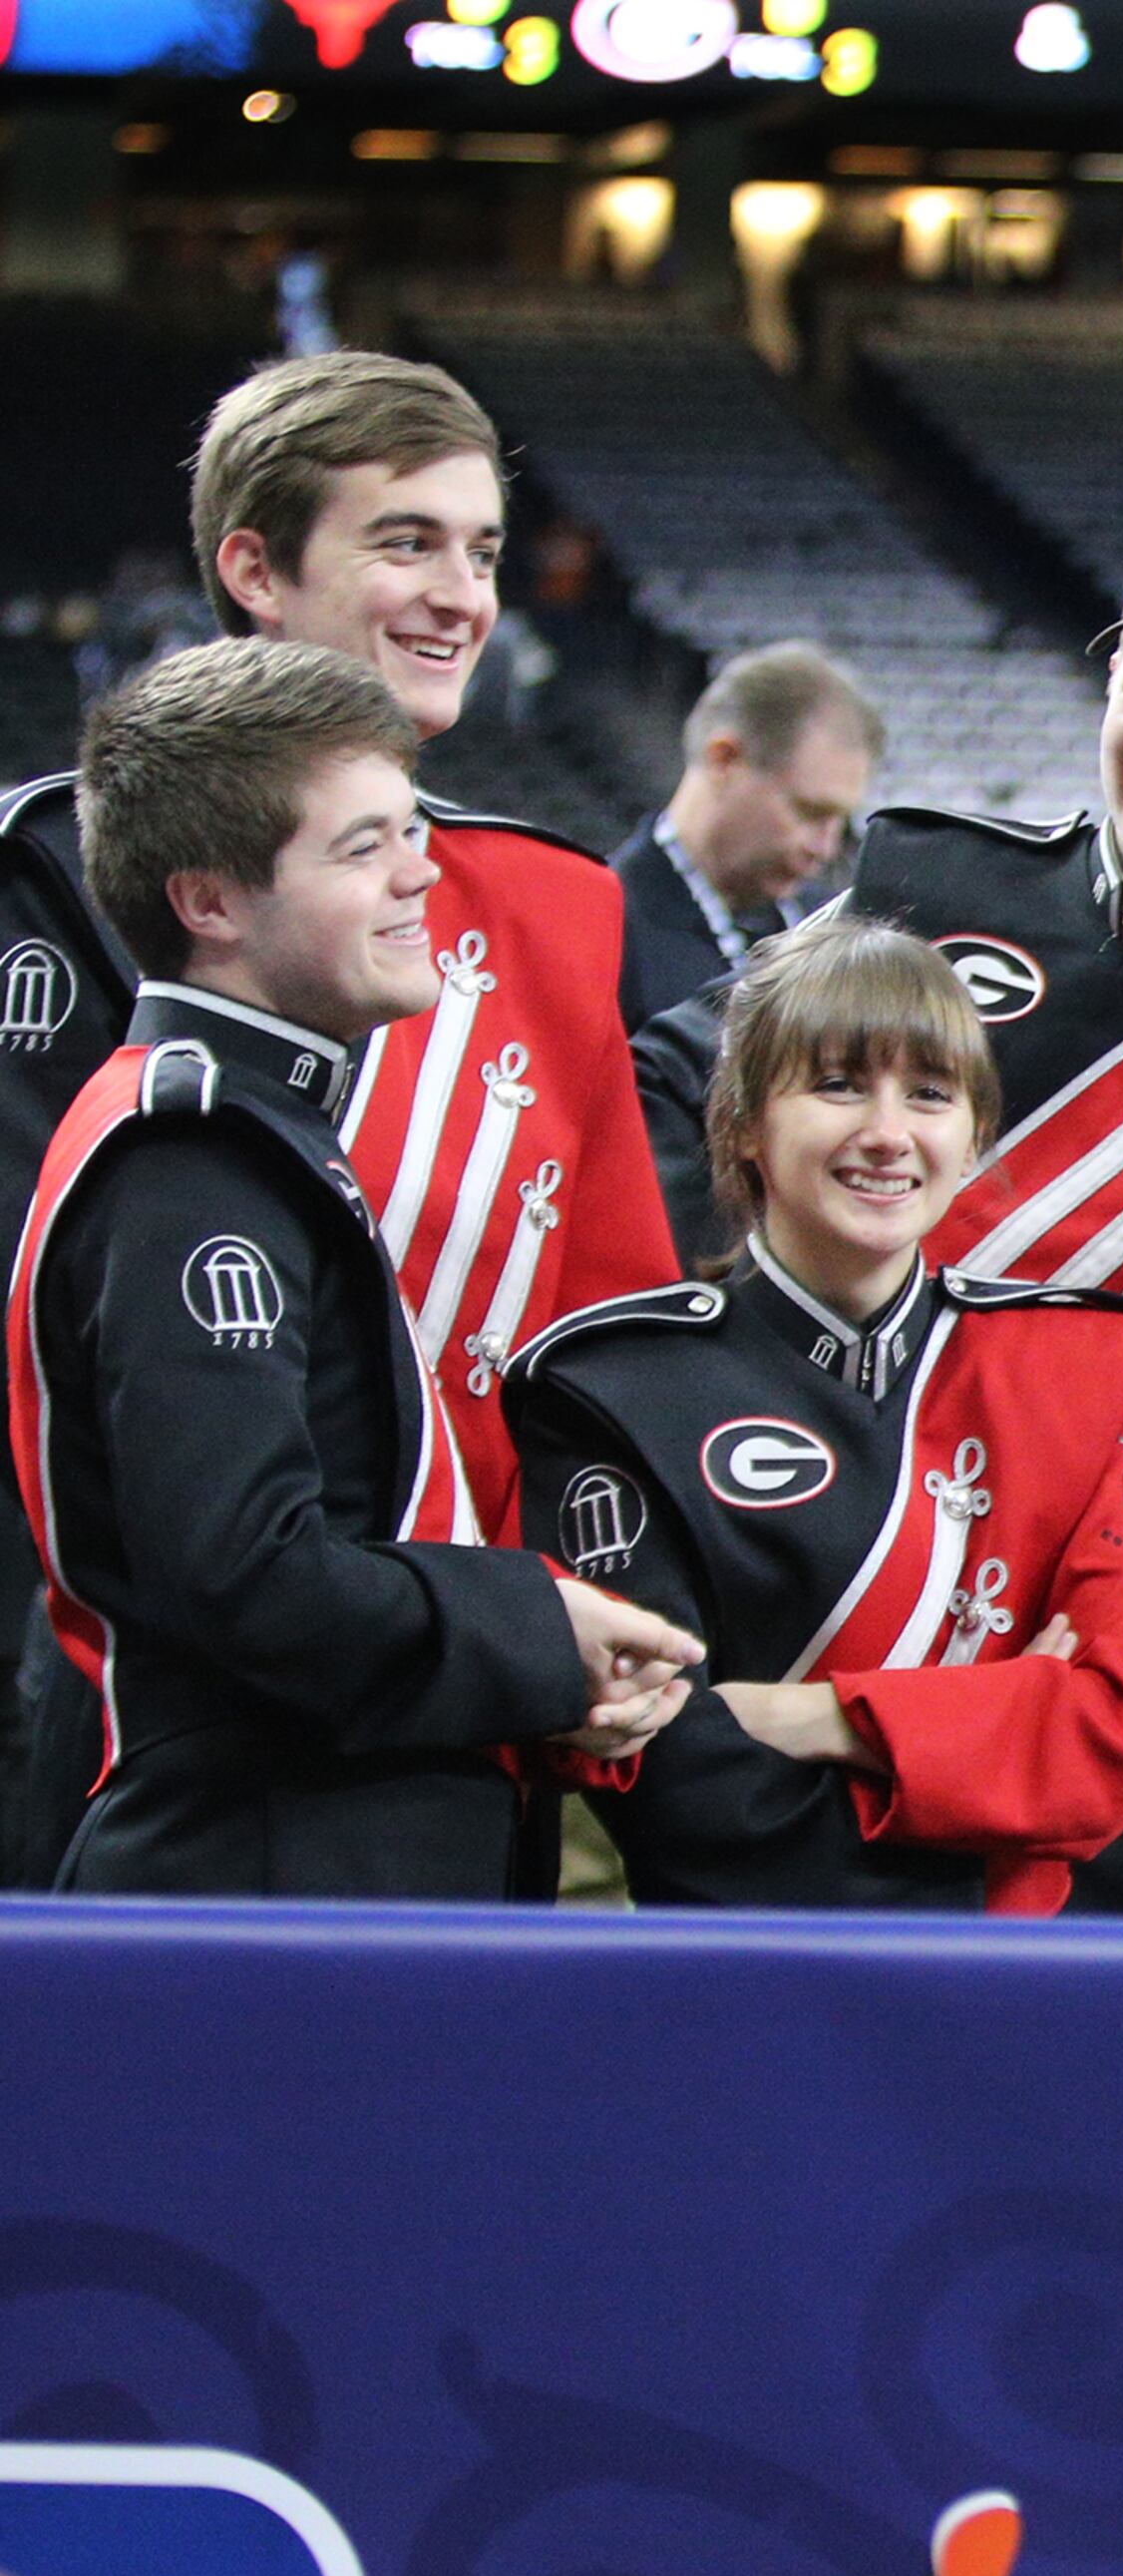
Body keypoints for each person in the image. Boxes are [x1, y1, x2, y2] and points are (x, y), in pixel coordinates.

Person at [632, 519, 1123, 1916]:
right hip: (783, 1612)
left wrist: (937, 1513)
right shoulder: (933, 885)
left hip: (1077, 1678)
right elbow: (668, 1074)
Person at [0, 354, 682, 1880]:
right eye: (405, 542)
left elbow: (614, 1339)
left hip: (491, 1717)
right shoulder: (69, 874)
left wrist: (588, 1643)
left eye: (485, 549)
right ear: (253, 567)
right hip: (179, 1725)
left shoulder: (562, 907)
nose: (459, 594)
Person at [510, 922, 1123, 1913]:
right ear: (744, 1122)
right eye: (838, 1085)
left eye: (929, 1094)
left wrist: (820, 1717)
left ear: (975, 1133)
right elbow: (674, 1786)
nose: (888, 1132)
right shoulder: (616, 1390)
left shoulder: (1060, 1372)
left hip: (992, 1986)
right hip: (722, 1978)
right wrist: (992, 1747)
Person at [612, 643, 883, 1033]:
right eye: (809, 812)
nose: (824, 848)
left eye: (840, 821)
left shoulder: (837, 928)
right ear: (724, 759)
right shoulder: (606, 931)